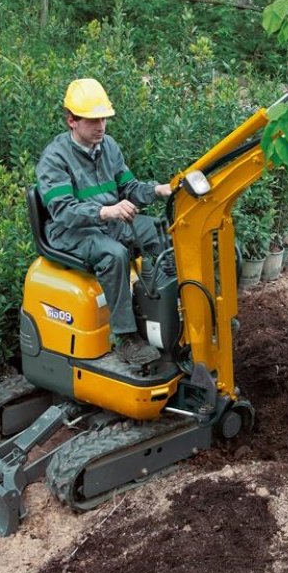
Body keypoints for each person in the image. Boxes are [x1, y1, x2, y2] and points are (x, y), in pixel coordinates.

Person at [36, 78, 172, 364]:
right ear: (71, 120)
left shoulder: (109, 147)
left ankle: (174, 308)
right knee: (114, 254)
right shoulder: (55, 158)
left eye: (104, 119)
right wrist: (105, 212)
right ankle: (126, 339)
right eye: (92, 120)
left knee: (163, 233)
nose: (100, 126)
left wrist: (158, 190)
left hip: (107, 222)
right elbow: (62, 210)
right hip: (70, 231)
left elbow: (129, 187)